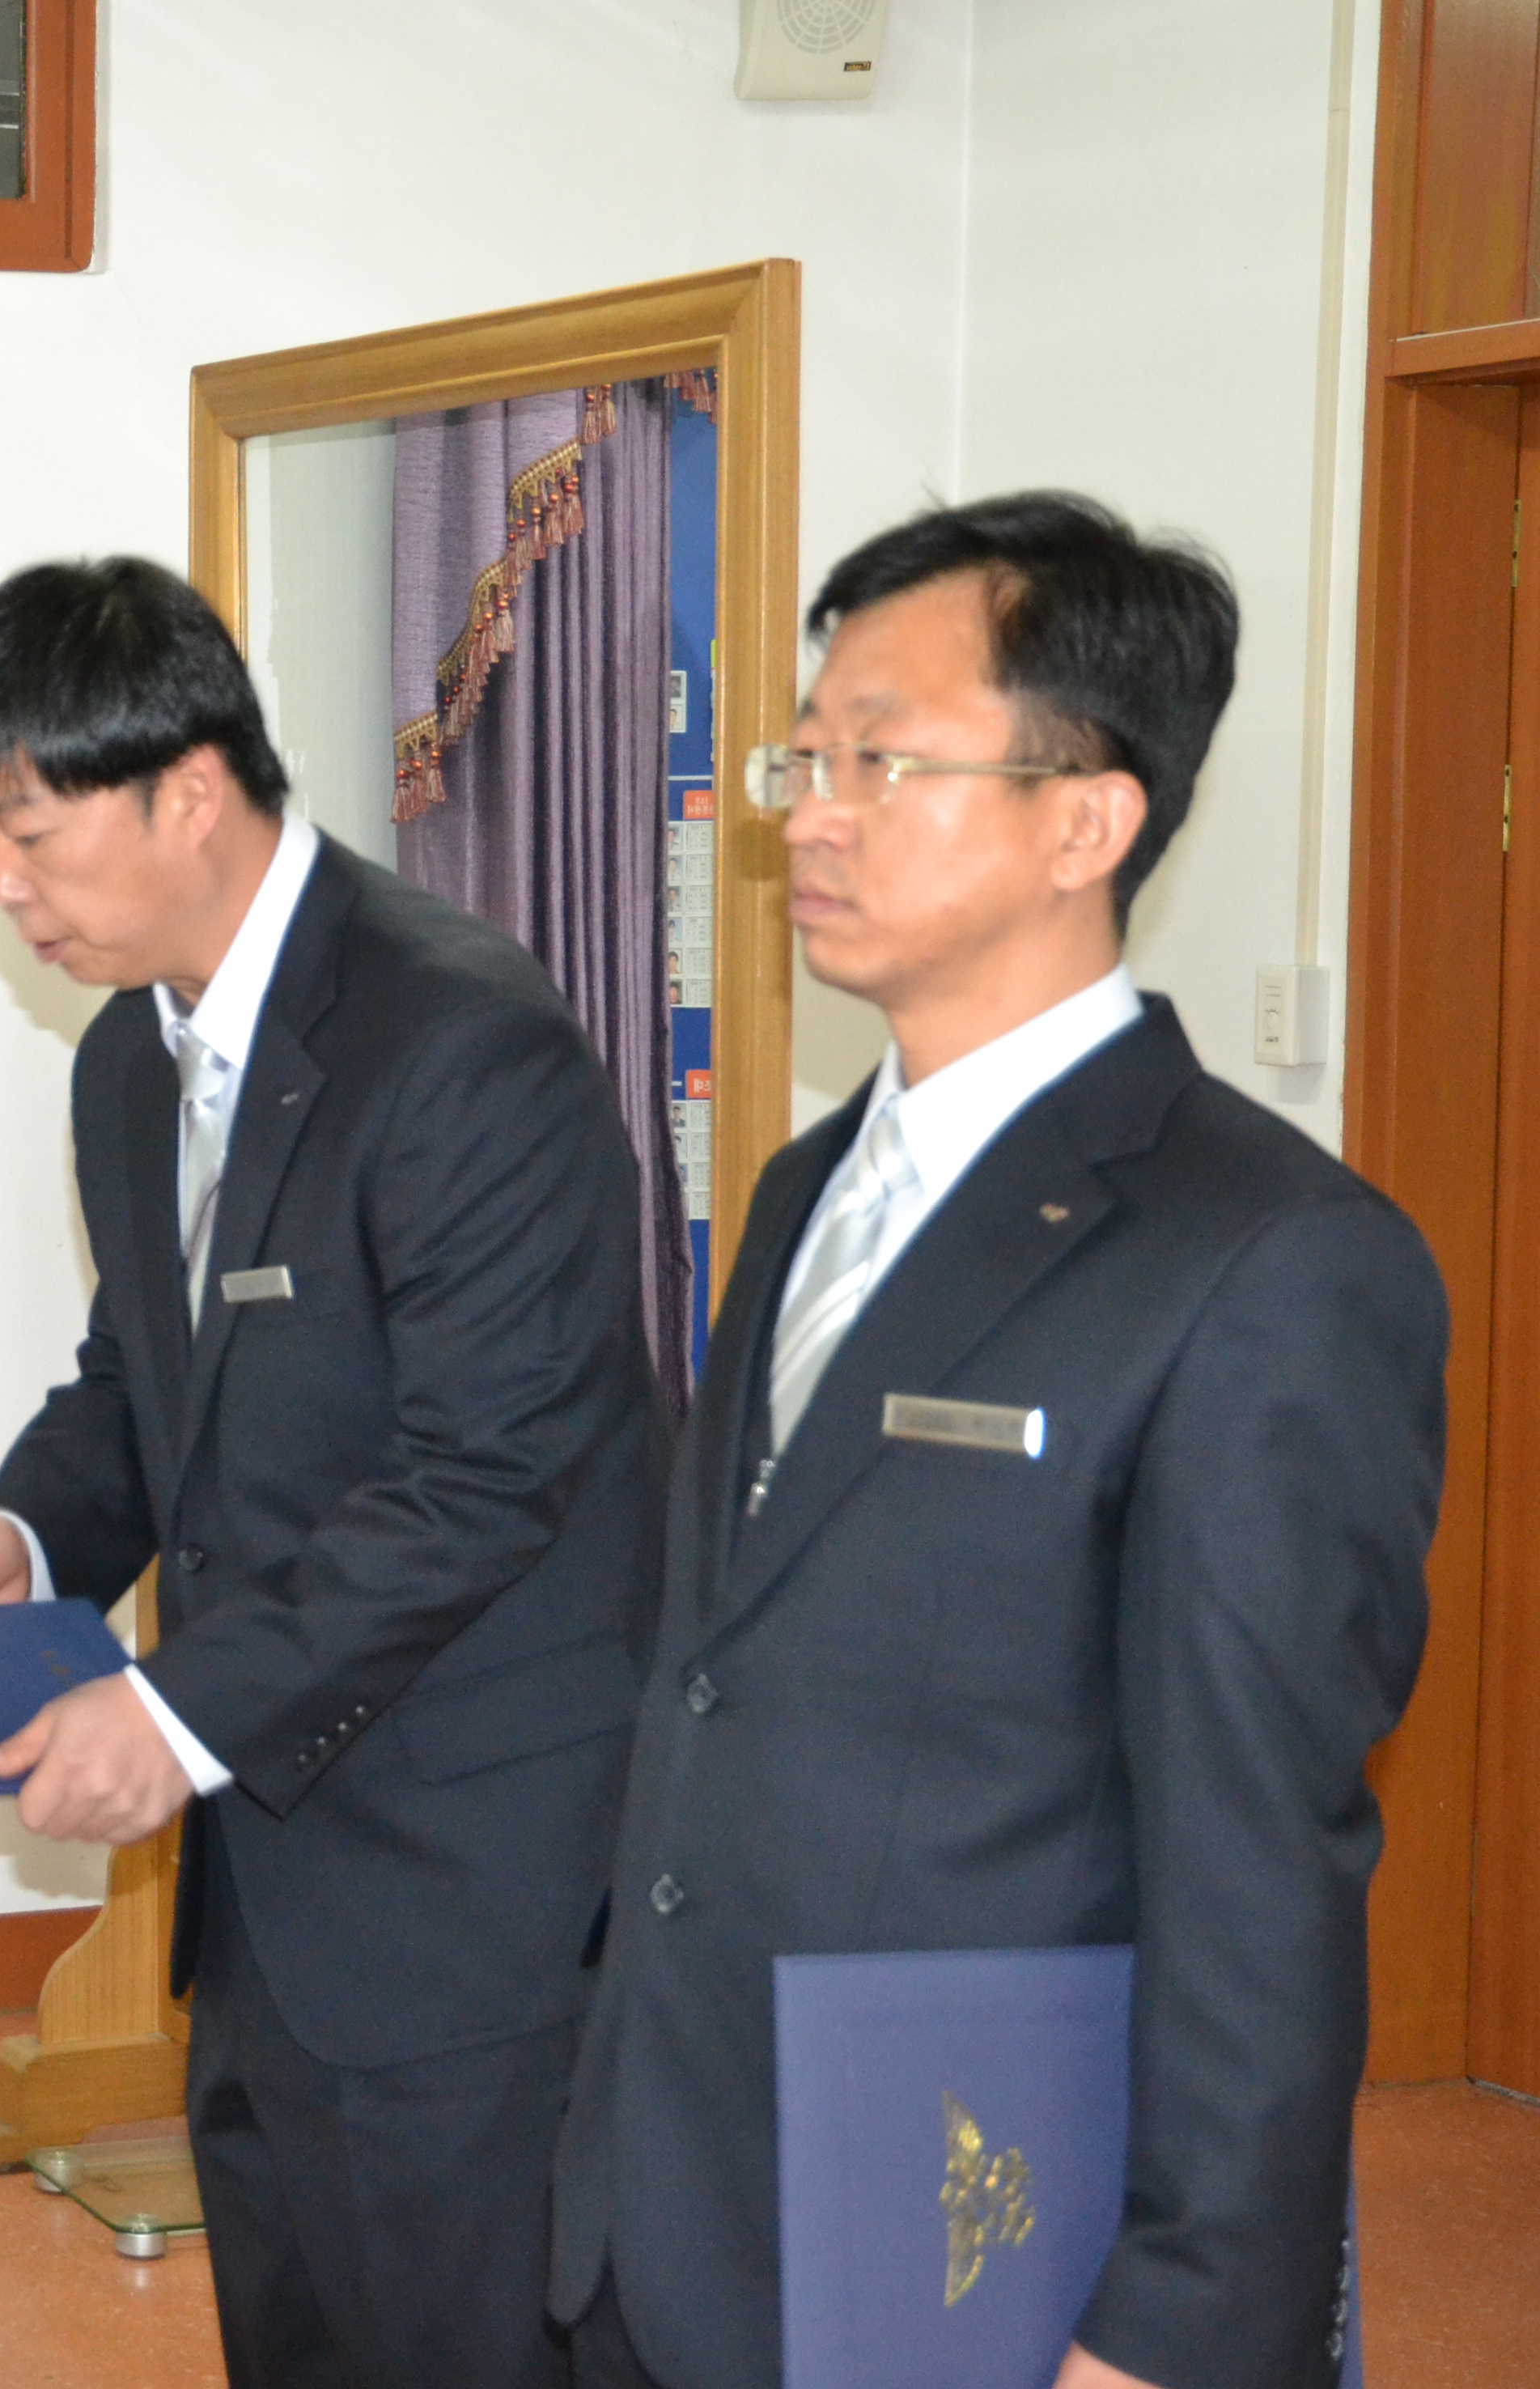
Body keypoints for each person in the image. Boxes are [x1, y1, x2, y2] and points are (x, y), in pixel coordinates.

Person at [549, 495, 1448, 2389]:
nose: (811, 814)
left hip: (973, 2223)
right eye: (804, 757)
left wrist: (1181, 2323)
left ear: (1084, 823)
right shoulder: (803, 1190)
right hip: (681, 2180)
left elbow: (1261, 1866)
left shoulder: (1266, 1259)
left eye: (882, 760)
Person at [0, 558, 660, 2389]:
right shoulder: (126, 1064)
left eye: (29, 837)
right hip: (272, 1888)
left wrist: (174, 1712)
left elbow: (486, 1475)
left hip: (470, 1890)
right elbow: (146, 1382)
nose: (5, 890)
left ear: (191, 792)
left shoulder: (459, 1042)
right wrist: (24, 1534)